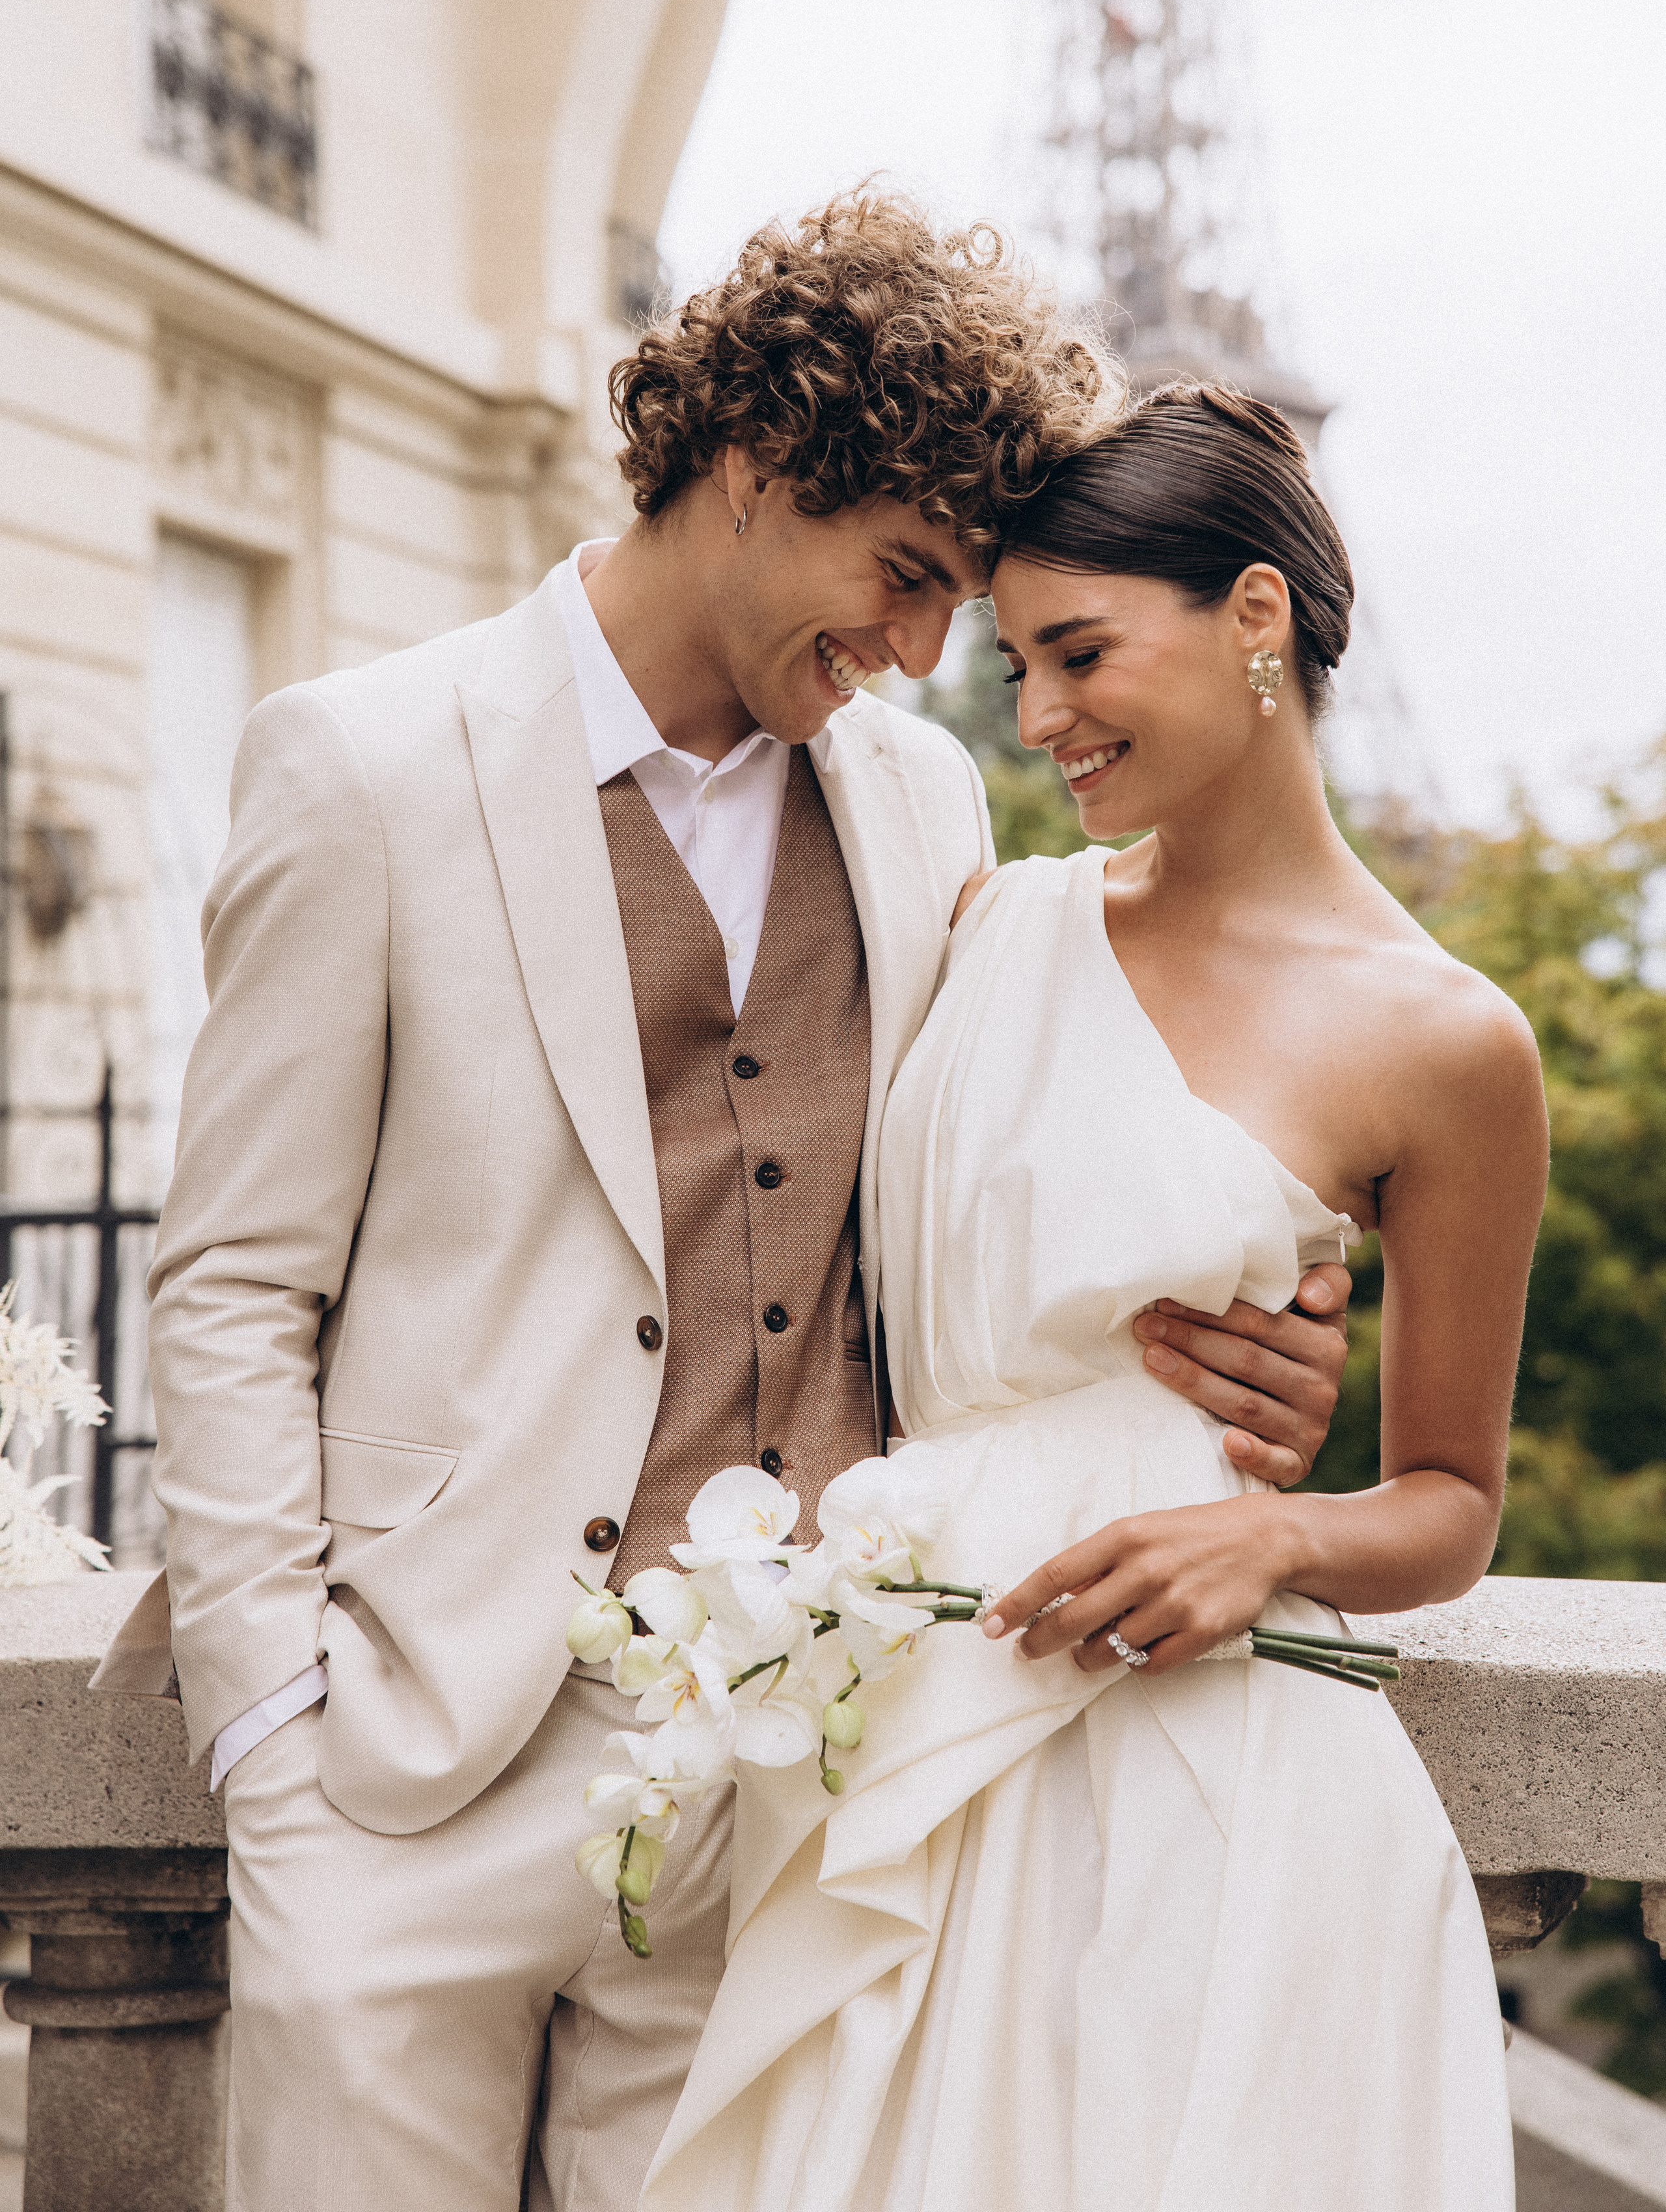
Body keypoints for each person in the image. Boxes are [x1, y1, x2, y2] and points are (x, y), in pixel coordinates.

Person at [90, 206, 1350, 2212]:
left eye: (960, 606)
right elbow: (236, 1281)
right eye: (907, 574)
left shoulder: (918, 805)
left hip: (784, 1781)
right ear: (757, 469)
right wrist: (277, 1747)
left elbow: (1006, 1185)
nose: (923, 657)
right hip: (412, 1774)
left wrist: (1245, 1323)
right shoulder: (367, 764)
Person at [643, 383, 1548, 2212]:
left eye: (1080, 654)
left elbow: (1451, 1505)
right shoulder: (990, 926)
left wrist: (1274, 1536)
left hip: (1216, 1780)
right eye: (1018, 664)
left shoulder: (1452, 1045)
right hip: (913, 1729)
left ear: (1256, 616)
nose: (1038, 717)